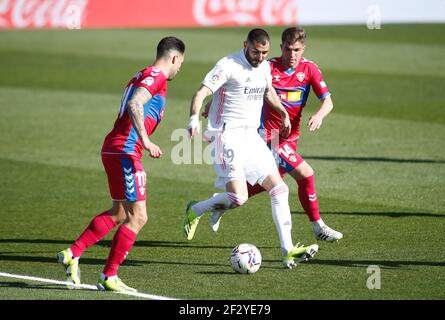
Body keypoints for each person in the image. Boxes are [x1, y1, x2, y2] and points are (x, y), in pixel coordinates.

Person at [56, 36, 185, 292]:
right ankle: (108, 276)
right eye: (181, 63)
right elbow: (136, 103)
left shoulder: (141, 75)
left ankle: (73, 252)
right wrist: (146, 141)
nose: (180, 68)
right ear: (174, 58)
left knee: (120, 213)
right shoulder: (155, 76)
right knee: (138, 216)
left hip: (114, 149)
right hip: (126, 151)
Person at [184, 28, 318, 269]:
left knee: (280, 189)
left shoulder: (265, 68)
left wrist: (283, 112)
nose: (260, 57)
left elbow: (268, 92)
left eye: (265, 53)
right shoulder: (228, 65)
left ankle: (288, 251)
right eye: (256, 51)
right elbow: (201, 92)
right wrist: (194, 119)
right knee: (238, 197)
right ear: (246, 44)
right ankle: (195, 209)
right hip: (225, 136)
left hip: (251, 137)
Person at [209, 27, 343, 242]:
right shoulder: (267, 67)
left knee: (271, 182)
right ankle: (318, 226)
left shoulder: (309, 69)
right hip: (267, 137)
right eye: (288, 49)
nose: (292, 55)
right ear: (281, 47)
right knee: (306, 174)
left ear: (303, 49)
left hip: (291, 138)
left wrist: (319, 115)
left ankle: (223, 202)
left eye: (297, 50)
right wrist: (211, 103)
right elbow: (235, 84)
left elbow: (328, 101)